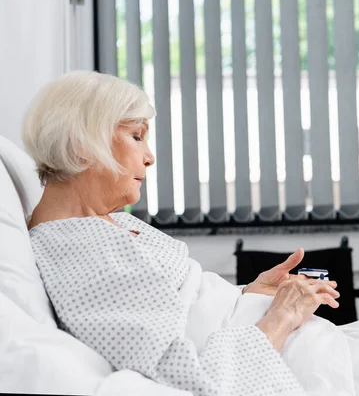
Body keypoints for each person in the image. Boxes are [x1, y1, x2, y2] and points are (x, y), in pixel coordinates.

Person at [24, 71, 337, 396]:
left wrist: (248, 293)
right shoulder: (77, 250)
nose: (149, 157)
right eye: (136, 136)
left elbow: (185, 303)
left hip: (294, 346)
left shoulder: (107, 225)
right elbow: (192, 380)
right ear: (82, 143)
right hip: (287, 359)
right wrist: (282, 317)